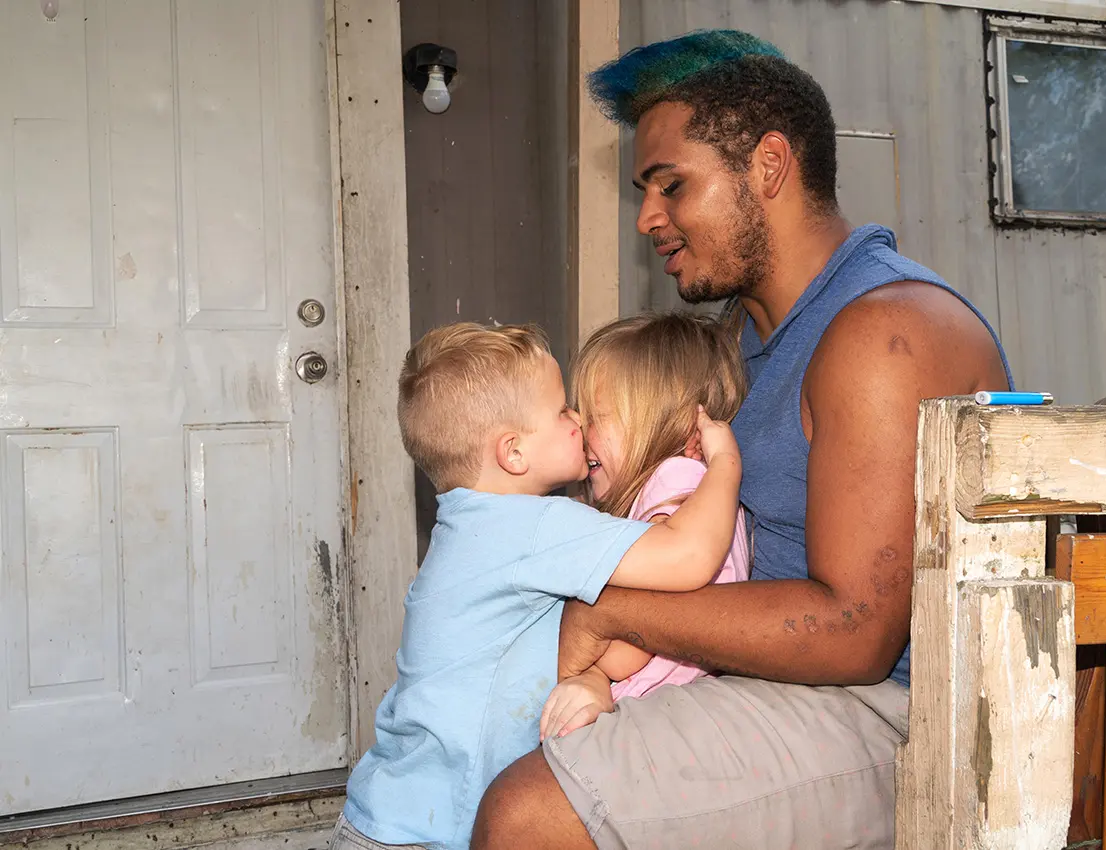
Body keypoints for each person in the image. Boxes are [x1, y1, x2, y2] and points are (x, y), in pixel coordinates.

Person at [471, 29, 1013, 849]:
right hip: (762, 681)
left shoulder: (885, 333)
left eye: (670, 185)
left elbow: (856, 633)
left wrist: (613, 614)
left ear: (767, 166)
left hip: (890, 717)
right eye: (644, 192)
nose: (649, 217)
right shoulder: (746, 333)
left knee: (526, 816)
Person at [330, 322, 741, 850]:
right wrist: (725, 466)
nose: (579, 422)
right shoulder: (535, 529)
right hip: (432, 831)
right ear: (514, 453)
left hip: (386, 813)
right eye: (564, 411)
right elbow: (688, 556)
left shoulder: (470, 526)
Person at [541, 313, 751, 741]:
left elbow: (627, 651)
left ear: (666, 425)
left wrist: (591, 672)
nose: (581, 429)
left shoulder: (678, 482)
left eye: (597, 417)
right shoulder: (700, 493)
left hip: (667, 719)